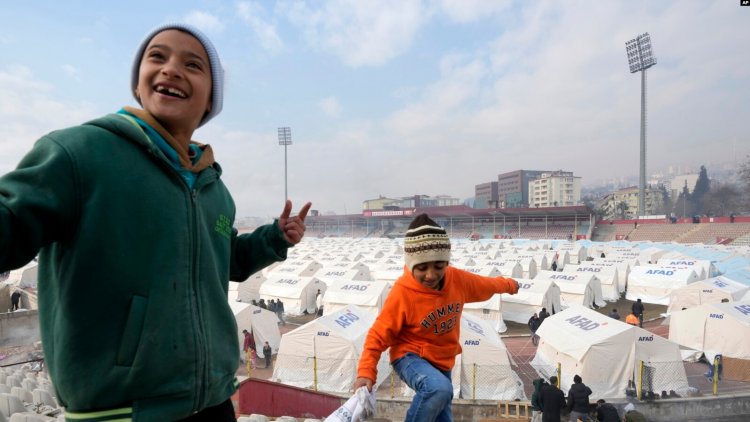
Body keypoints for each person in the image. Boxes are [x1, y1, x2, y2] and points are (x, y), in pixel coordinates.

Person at [0, 23, 312, 422]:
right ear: (138, 83)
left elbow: (227, 258)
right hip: (123, 409)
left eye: (193, 64)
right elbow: (12, 221)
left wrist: (273, 238)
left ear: (210, 101)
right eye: (157, 57)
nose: (171, 69)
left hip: (212, 401)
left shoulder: (214, 188)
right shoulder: (81, 154)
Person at [354, 214, 520, 422]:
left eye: (439, 266)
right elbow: (378, 335)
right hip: (409, 355)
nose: (431, 275)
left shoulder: (457, 280)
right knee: (439, 389)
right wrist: (366, 371)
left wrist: (509, 285)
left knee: (443, 415)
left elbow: (486, 285)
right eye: (422, 268)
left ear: (446, 263)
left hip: (442, 362)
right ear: (411, 263)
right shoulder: (402, 293)